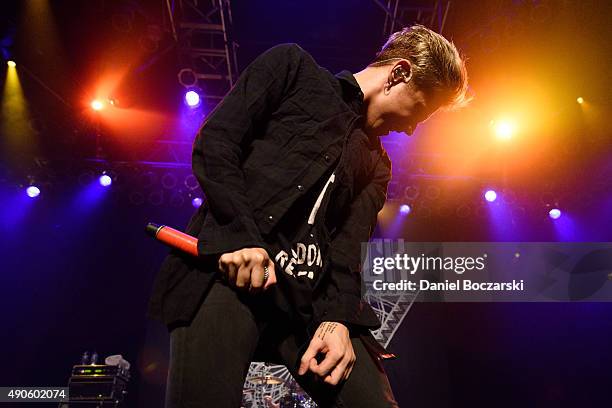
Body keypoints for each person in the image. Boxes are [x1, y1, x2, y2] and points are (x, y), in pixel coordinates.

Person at [147, 24, 469, 408]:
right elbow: (217, 143)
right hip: (231, 274)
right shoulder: (291, 69)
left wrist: (339, 322)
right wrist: (242, 237)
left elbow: (347, 254)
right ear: (399, 73)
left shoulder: (377, 165)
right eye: (421, 108)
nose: (413, 129)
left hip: (306, 307)